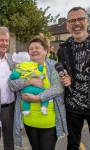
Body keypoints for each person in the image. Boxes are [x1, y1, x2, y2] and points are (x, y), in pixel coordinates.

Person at [9, 33, 68, 150]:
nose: (34, 50)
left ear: (45, 50)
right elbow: (12, 84)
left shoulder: (54, 66)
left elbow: (58, 88)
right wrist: (29, 82)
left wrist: (37, 98)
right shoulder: (22, 66)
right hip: (29, 119)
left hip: (49, 120)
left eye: (37, 48)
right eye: (31, 48)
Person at [57, 6, 90, 150]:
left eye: (80, 19)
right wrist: (64, 79)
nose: (76, 23)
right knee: (73, 145)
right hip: (72, 107)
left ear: (87, 21)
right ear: (67, 25)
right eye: (72, 20)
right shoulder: (63, 48)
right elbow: (61, 71)